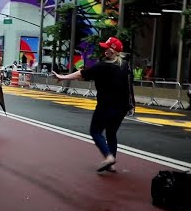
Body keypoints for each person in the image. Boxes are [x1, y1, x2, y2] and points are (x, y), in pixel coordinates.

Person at [52, 36, 135, 173]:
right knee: (111, 132)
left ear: (113, 51)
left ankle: (108, 158)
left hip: (106, 106)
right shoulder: (125, 66)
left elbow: (82, 74)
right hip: (122, 107)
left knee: (95, 131)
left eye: (107, 48)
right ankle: (111, 162)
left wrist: (63, 77)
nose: (104, 51)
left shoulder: (103, 66)